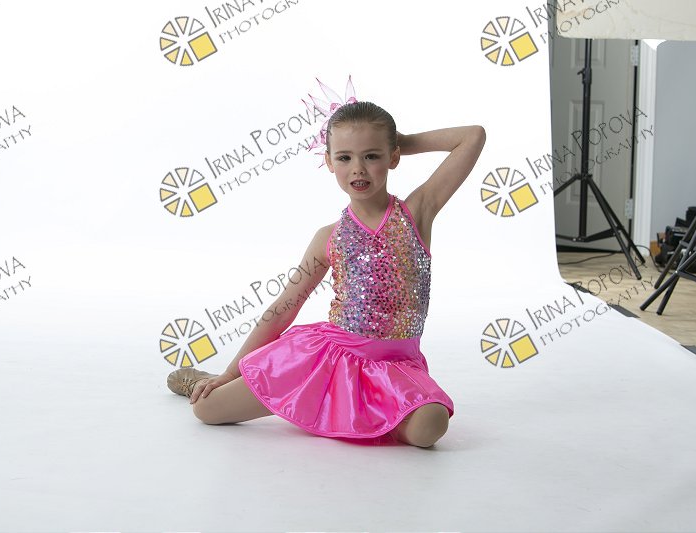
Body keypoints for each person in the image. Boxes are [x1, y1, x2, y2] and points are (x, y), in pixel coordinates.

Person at [168, 100, 485, 448]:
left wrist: (402, 141)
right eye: (345, 157)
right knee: (207, 409)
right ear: (329, 162)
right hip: (328, 359)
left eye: (372, 156)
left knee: (431, 425)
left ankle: (374, 414)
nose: (358, 169)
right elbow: (285, 307)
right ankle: (210, 380)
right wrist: (230, 373)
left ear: (393, 158)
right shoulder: (328, 237)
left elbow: (473, 136)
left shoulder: (416, 212)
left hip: (394, 367)